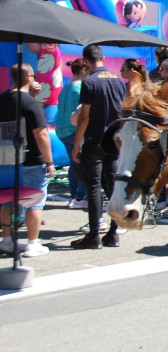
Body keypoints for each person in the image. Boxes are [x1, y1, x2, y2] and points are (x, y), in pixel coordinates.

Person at [71, 44, 126, 249]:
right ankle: (113, 233)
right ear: (102, 57)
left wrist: (77, 144)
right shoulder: (119, 81)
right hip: (113, 140)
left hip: (94, 141)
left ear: (85, 61)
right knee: (112, 187)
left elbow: (84, 117)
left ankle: (94, 235)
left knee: (94, 187)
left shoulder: (90, 82)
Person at [0, 63, 55, 257]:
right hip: (32, 160)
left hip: (6, 160)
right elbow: (41, 134)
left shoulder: (2, 99)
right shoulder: (31, 104)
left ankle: (6, 240)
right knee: (35, 201)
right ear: (28, 78)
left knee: (8, 200)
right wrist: (49, 162)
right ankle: (32, 243)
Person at [57, 58, 89, 208]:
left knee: (73, 163)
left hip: (62, 130)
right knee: (83, 163)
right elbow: (82, 112)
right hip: (74, 130)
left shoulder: (66, 87)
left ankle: (73, 195)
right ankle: (80, 196)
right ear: (83, 70)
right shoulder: (80, 88)